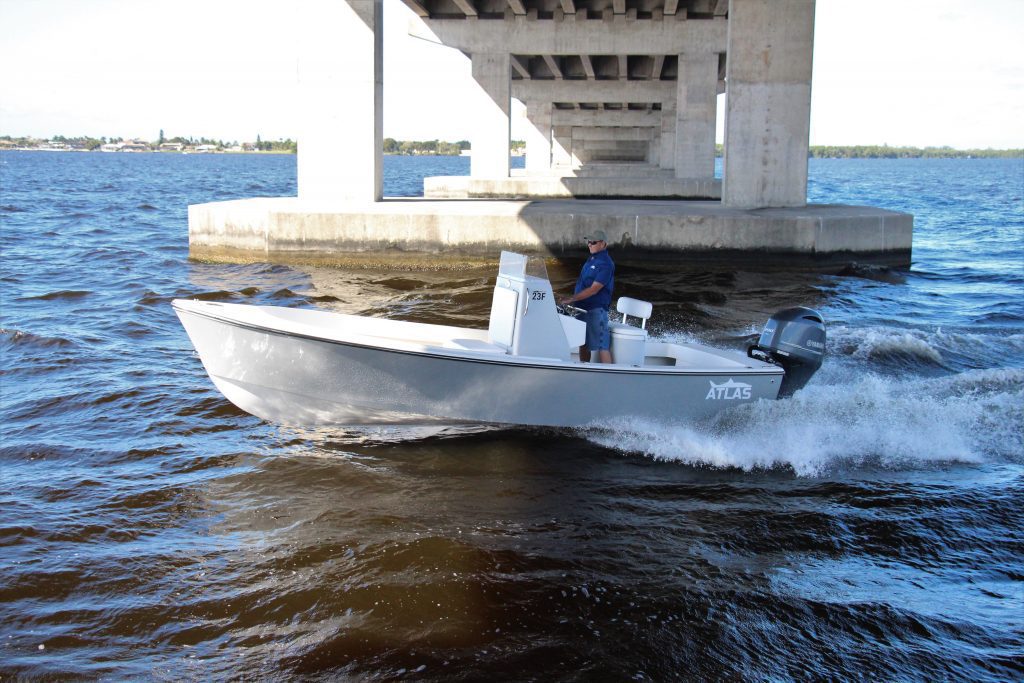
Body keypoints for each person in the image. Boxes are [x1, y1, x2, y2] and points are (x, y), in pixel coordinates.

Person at [560, 230, 615, 363]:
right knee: (583, 343)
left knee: (602, 345)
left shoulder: (606, 264)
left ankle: (610, 379)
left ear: (603, 244)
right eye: (588, 242)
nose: (589, 244)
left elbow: (594, 289)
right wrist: (568, 298)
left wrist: (572, 299)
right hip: (582, 309)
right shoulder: (592, 259)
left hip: (596, 309)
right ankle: (584, 369)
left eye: (593, 242)